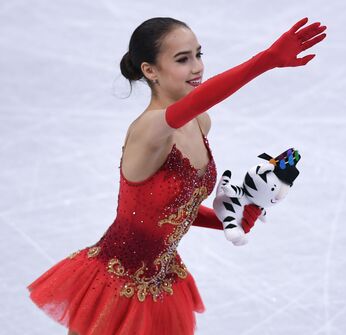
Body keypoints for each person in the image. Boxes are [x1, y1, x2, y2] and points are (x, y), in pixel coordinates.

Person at [27, 16, 327, 335]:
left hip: (163, 280)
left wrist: (231, 217)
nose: (197, 67)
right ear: (150, 71)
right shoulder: (148, 130)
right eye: (183, 59)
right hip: (118, 283)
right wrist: (265, 60)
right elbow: (204, 96)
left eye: (199, 54)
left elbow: (168, 210)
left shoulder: (199, 123)